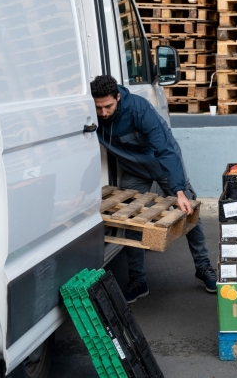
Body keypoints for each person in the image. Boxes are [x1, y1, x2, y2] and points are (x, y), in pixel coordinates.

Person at [90, 75, 217, 303]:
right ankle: (138, 281)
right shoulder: (95, 114)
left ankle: (204, 267)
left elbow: (165, 150)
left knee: (189, 211)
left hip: (162, 163)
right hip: (133, 168)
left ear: (118, 97)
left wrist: (178, 190)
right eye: (98, 108)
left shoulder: (139, 110)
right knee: (131, 220)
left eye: (108, 106)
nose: (104, 113)